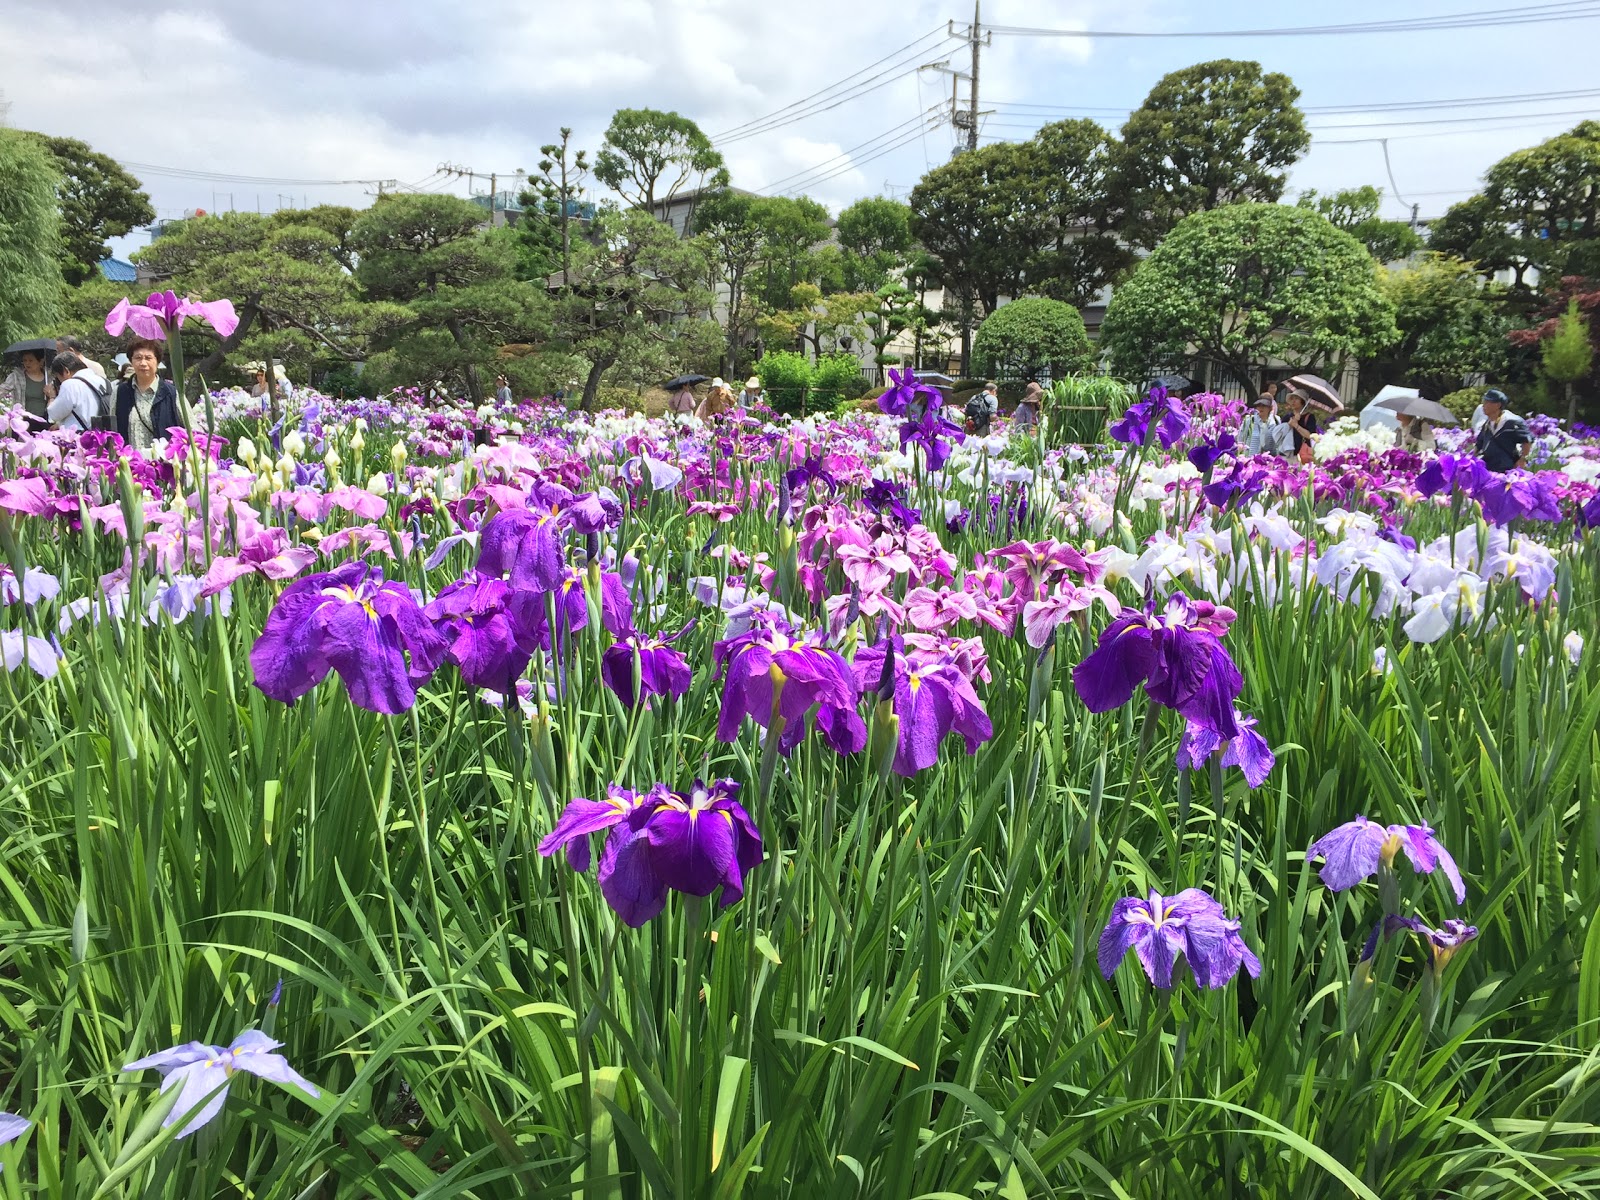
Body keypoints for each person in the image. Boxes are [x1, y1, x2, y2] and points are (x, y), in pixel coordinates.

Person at [116, 338, 179, 451]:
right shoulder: (120, 392)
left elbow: (192, 428)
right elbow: (114, 430)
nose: (143, 363)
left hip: (164, 463)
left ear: (158, 361)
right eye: (138, 358)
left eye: (148, 358)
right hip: (131, 463)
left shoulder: (171, 393)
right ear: (131, 361)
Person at [1475, 389, 1531, 472]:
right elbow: (1479, 443)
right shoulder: (1487, 423)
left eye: (1487, 402)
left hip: (1505, 468)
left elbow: (1527, 440)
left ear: (1498, 405)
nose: (1483, 406)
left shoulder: (1511, 422)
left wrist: (1523, 459)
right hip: (1488, 467)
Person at [47, 352, 104, 433]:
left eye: (58, 377)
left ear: (66, 371)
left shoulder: (70, 384)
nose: (59, 381)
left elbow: (54, 415)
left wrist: (51, 397)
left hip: (78, 438)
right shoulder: (103, 381)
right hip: (101, 436)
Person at [2, 349, 54, 428]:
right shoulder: (16, 376)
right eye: (25, 360)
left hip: (45, 419)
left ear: (40, 362)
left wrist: (51, 395)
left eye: (31, 360)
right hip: (23, 420)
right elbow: (3, 389)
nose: (27, 363)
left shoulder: (49, 378)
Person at [1284, 392, 1319, 462]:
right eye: (1292, 399)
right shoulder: (1287, 417)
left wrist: (1296, 425)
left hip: (1302, 454)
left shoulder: (1309, 417)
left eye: (1296, 399)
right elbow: (1280, 433)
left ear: (1302, 402)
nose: (1293, 401)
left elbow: (1310, 436)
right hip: (1287, 453)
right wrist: (1289, 425)